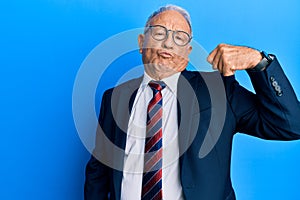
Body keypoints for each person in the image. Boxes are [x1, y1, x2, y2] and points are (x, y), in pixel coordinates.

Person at [84, 4, 300, 200]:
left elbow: (290, 125)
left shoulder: (219, 90)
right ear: (142, 43)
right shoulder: (115, 97)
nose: (168, 42)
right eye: (159, 33)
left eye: (179, 37)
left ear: (188, 51)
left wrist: (259, 63)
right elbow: (99, 171)